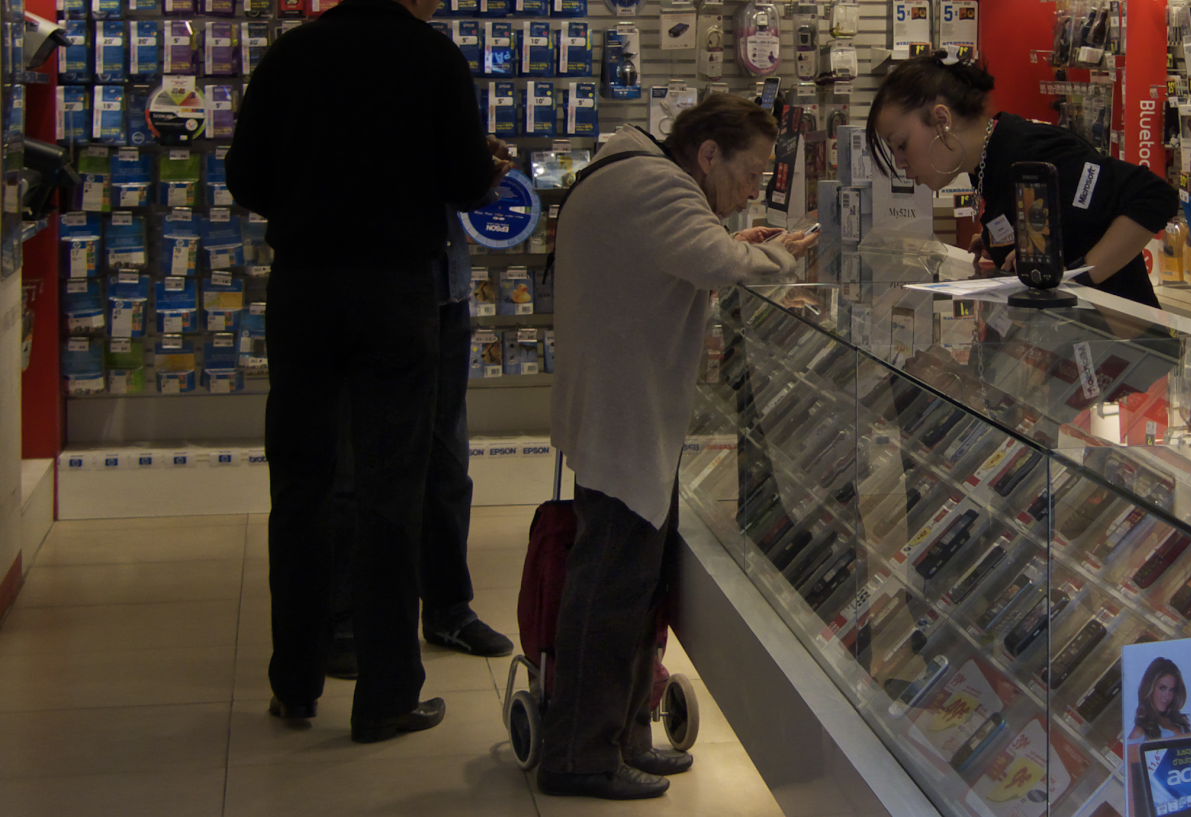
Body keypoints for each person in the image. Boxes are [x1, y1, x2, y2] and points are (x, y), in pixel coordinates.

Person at [227, 0, 511, 743]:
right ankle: (386, 696)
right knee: (393, 489)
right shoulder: (431, 57)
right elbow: (468, 178)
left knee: (300, 486)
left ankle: (295, 682)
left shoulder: (291, 55)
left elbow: (246, 177)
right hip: (395, 290)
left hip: (303, 287)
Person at [543, 94, 818, 800]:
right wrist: (779, 258)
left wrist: (744, 245)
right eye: (750, 173)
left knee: (630, 589)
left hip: (621, 416)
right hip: (624, 420)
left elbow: (692, 252)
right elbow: (708, 259)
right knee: (610, 590)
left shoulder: (634, 175)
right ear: (706, 154)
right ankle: (579, 752)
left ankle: (624, 733)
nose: (755, 187)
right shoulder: (655, 185)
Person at [322, 208, 516, 682]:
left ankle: (449, 610)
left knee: (447, 464)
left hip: (447, 297)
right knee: (353, 467)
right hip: (370, 298)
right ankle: (343, 619)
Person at [866, 52, 1178, 308]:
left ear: (942, 120)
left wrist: (1076, 281)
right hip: (1082, 355)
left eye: (902, 145)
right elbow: (1072, 220)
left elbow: (1152, 195)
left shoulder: (1029, 150)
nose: (900, 163)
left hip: (1126, 354)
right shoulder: (988, 164)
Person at [1129, 657, 1191, 740]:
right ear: (1149, 688)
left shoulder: (1178, 721)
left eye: (1172, 690)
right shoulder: (1139, 732)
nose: (1167, 696)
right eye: (1162, 688)